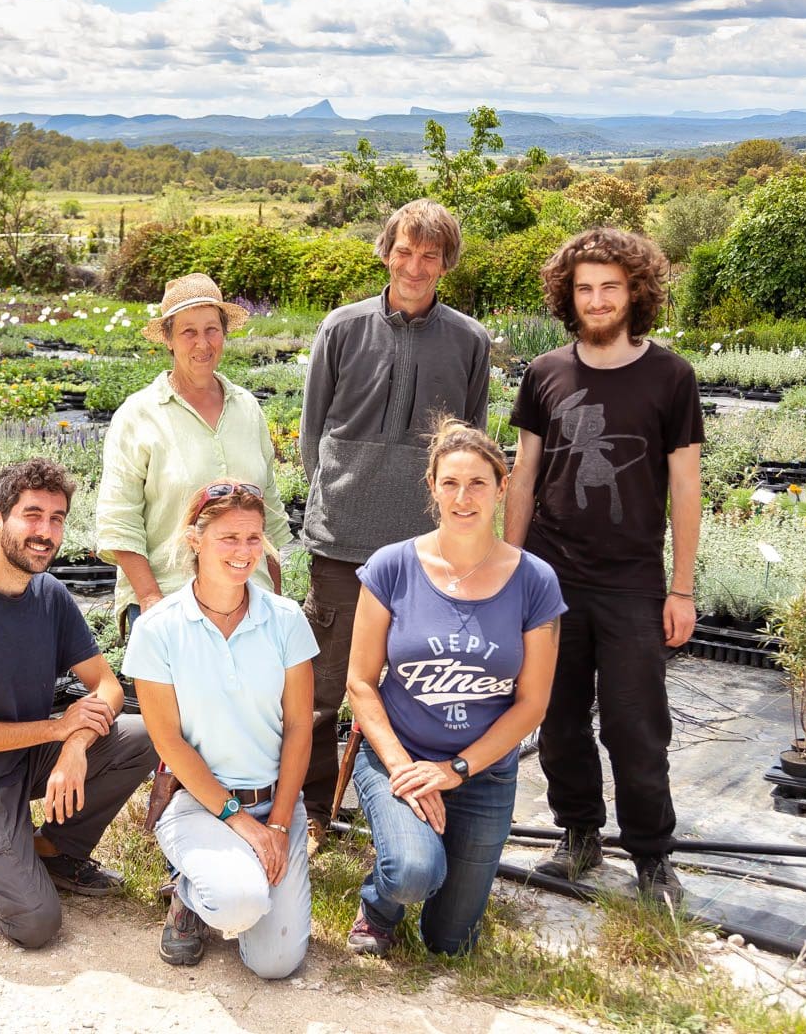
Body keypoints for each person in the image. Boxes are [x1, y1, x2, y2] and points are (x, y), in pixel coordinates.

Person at [504, 227, 703, 905]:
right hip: (551, 578)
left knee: (635, 723)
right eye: (584, 288)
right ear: (569, 295)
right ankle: (579, 835)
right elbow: (523, 477)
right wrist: (510, 571)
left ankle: (652, 856)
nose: (596, 299)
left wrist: (682, 588)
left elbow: (685, 486)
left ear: (635, 292)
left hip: (632, 583)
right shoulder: (545, 374)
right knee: (557, 719)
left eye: (609, 287)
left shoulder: (671, 377)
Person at [299, 198, 492, 853]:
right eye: (404, 251)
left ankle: (406, 814)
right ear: (386, 252)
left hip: (422, 552)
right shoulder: (341, 328)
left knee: (416, 691)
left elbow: (471, 443)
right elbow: (311, 433)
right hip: (341, 543)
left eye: (429, 256)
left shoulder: (468, 341)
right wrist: (331, 498)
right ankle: (316, 811)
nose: (414, 266)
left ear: (446, 264)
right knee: (324, 691)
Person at [0, 458, 156, 949]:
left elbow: (107, 687)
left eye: (57, 518)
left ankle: (55, 851)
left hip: (23, 763)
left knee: (138, 736)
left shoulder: (50, 595)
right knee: (37, 925)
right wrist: (55, 730)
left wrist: (74, 746)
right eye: (32, 515)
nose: (46, 531)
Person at [344, 420, 564, 956]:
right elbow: (360, 682)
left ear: (502, 486)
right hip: (400, 754)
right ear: (432, 487)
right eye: (450, 484)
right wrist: (403, 767)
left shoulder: (535, 580)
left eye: (478, 484)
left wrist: (455, 770)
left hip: (481, 772)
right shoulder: (393, 566)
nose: (463, 498)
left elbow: (532, 703)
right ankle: (380, 902)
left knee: (450, 943)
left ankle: (428, 868)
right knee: (415, 873)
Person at [123, 480, 317, 978]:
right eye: (229, 538)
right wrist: (242, 822)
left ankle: (240, 875)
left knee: (276, 965)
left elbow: (299, 727)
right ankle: (189, 892)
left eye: (254, 538)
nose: (243, 551)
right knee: (237, 902)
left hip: (276, 801)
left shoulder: (286, 619)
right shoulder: (158, 628)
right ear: (195, 540)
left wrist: (276, 825)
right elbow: (168, 741)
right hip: (197, 802)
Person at [96, 272, 291, 637]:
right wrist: (152, 603)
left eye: (211, 329)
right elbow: (118, 523)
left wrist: (277, 602)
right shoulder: (139, 415)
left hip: (251, 606)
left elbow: (271, 518)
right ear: (168, 339)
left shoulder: (247, 408)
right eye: (188, 331)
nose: (202, 343)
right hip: (171, 603)